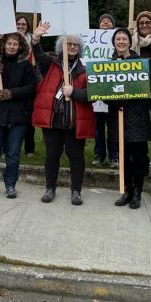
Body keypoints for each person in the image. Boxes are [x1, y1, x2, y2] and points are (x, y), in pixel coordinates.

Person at [30, 22, 95, 206]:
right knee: (52, 155)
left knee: (76, 157)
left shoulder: (85, 70)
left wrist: (74, 92)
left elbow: (92, 95)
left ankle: (76, 190)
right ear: (61, 47)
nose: (72, 47)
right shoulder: (49, 64)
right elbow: (38, 54)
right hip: (54, 121)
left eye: (75, 44)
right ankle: (50, 188)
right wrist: (35, 39)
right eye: (68, 44)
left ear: (80, 48)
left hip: (75, 122)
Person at [0, 33, 37, 198]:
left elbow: (32, 88)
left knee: (13, 153)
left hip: (18, 118)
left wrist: (12, 93)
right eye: (9, 43)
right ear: (3, 45)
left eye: (15, 44)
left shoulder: (25, 65)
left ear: (20, 47)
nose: (12, 47)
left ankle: (10, 184)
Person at [106, 27, 151, 210]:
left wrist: (130, 97)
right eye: (118, 39)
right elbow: (102, 90)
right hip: (118, 117)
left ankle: (137, 191)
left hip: (137, 117)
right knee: (123, 157)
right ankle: (127, 190)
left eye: (124, 38)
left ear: (129, 42)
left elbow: (148, 87)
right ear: (114, 43)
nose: (121, 41)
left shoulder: (141, 63)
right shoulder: (107, 65)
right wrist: (113, 100)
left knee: (139, 158)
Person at [92, 12, 118, 168]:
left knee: (113, 125)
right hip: (97, 88)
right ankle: (99, 155)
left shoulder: (118, 42)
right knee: (98, 126)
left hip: (114, 89)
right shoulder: (93, 42)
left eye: (109, 21)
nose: (106, 22)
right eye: (103, 20)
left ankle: (114, 155)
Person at [14, 14, 37, 156]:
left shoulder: (32, 40)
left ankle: (29, 148)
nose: (21, 26)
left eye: (23, 24)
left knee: (29, 116)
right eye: (18, 24)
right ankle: (9, 147)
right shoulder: (8, 40)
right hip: (13, 80)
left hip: (28, 80)